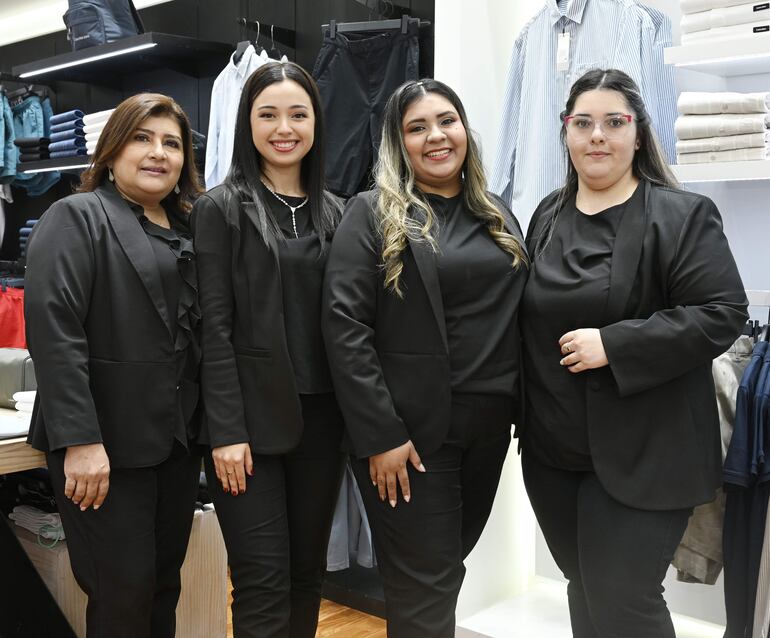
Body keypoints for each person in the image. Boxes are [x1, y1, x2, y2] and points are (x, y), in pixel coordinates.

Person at [520, 68, 748, 638]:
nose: (598, 135)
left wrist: (614, 344)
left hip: (648, 452)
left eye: (614, 122)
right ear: (565, 132)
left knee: (625, 602)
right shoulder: (547, 214)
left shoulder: (681, 215)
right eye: (584, 123)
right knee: (584, 592)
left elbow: (722, 313)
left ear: (638, 135)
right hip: (553, 454)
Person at [322, 78, 529, 637]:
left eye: (447, 121)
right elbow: (345, 330)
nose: (436, 136)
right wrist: (380, 435)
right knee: (424, 591)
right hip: (409, 439)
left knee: (441, 577)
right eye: (417, 127)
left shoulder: (496, 214)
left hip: (488, 433)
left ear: (466, 130)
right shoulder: (371, 215)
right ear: (399, 143)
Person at [24, 93, 203, 638]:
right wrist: (80, 439)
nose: (158, 153)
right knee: (120, 594)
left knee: (162, 588)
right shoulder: (75, 217)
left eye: (171, 143)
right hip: (103, 446)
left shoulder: (192, 228)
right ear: (111, 149)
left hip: (174, 442)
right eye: (142, 138)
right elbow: (56, 334)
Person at [192, 61, 345, 638]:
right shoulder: (220, 209)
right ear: (246, 124)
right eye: (268, 114)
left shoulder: (337, 211)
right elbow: (215, 327)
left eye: (298, 114)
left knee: (307, 576)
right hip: (248, 430)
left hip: (323, 422)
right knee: (260, 582)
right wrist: (226, 431)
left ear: (316, 123)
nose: (285, 127)